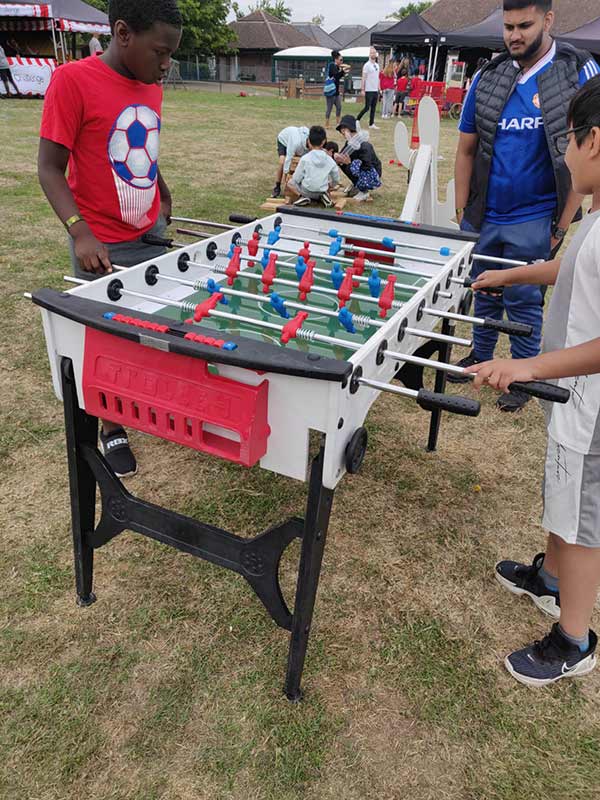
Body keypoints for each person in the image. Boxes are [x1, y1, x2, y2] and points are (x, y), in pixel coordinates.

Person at [465, 77, 600, 686]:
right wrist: (509, 276)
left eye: (568, 141)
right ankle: (549, 578)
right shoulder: (595, 213)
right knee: (561, 499)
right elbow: (568, 267)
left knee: (584, 524)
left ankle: (574, 638)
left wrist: (525, 366)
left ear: (592, 141)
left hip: (591, 410)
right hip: (571, 402)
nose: (563, 155)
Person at [37, 0, 182, 478]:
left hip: (150, 233)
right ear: (122, 33)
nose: (166, 65)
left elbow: (141, 146)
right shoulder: (72, 81)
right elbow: (48, 168)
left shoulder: (151, 84)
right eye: (160, 52)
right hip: (101, 245)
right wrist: (79, 231)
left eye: (171, 55)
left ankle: (143, 402)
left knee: (151, 330)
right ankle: (109, 427)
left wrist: (159, 188)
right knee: (104, 341)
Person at [449, 0, 600, 413]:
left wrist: (562, 222)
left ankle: (521, 373)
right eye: (508, 26)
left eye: (525, 25)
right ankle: (479, 356)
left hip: (535, 215)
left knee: (523, 297)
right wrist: (462, 209)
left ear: (548, 20)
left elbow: (581, 154)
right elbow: (466, 148)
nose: (514, 35)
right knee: (484, 289)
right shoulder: (489, 75)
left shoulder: (577, 70)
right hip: (486, 214)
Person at [285, 125, 340, 208]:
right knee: (324, 184)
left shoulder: (305, 158)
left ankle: (302, 197)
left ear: (309, 141)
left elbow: (296, 178)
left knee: (290, 183)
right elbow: (336, 179)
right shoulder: (330, 160)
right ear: (324, 142)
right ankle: (323, 197)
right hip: (322, 190)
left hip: (306, 191)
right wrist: (330, 185)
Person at [334, 114, 382, 201]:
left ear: (349, 129)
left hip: (372, 174)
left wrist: (350, 164)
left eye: (344, 132)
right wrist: (337, 156)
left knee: (351, 163)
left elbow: (367, 166)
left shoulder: (364, 145)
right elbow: (342, 155)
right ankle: (357, 184)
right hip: (362, 170)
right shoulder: (349, 143)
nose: (343, 134)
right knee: (342, 162)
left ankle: (364, 191)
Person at [272, 125, 309, 198]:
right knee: (282, 162)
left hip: (295, 143)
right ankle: (277, 186)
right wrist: (286, 176)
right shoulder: (295, 142)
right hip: (284, 140)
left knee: (297, 162)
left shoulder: (310, 142)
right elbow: (289, 157)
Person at [357, 46, 380, 130]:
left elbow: (377, 77)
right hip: (368, 89)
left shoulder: (377, 65)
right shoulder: (367, 65)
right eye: (371, 53)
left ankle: (371, 123)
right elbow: (364, 77)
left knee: (373, 107)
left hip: (375, 89)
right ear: (369, 54)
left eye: (374, 53)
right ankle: (357, 119)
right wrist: (362, 89)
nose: (373, 54)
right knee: (367, 107)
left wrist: (379, 87)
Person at [325, 50, 346, 130]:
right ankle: (327, 123)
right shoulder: (332, 66)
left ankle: (338, 123)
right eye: (340, 60)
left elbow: (338, 77)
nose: (342, 61)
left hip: (336, 91)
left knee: (339, 107)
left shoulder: (337, 67)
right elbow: (336, 76)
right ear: (336, 59)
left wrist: (343, 72)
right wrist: (343, 72)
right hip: (331, 91)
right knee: (329, 108)